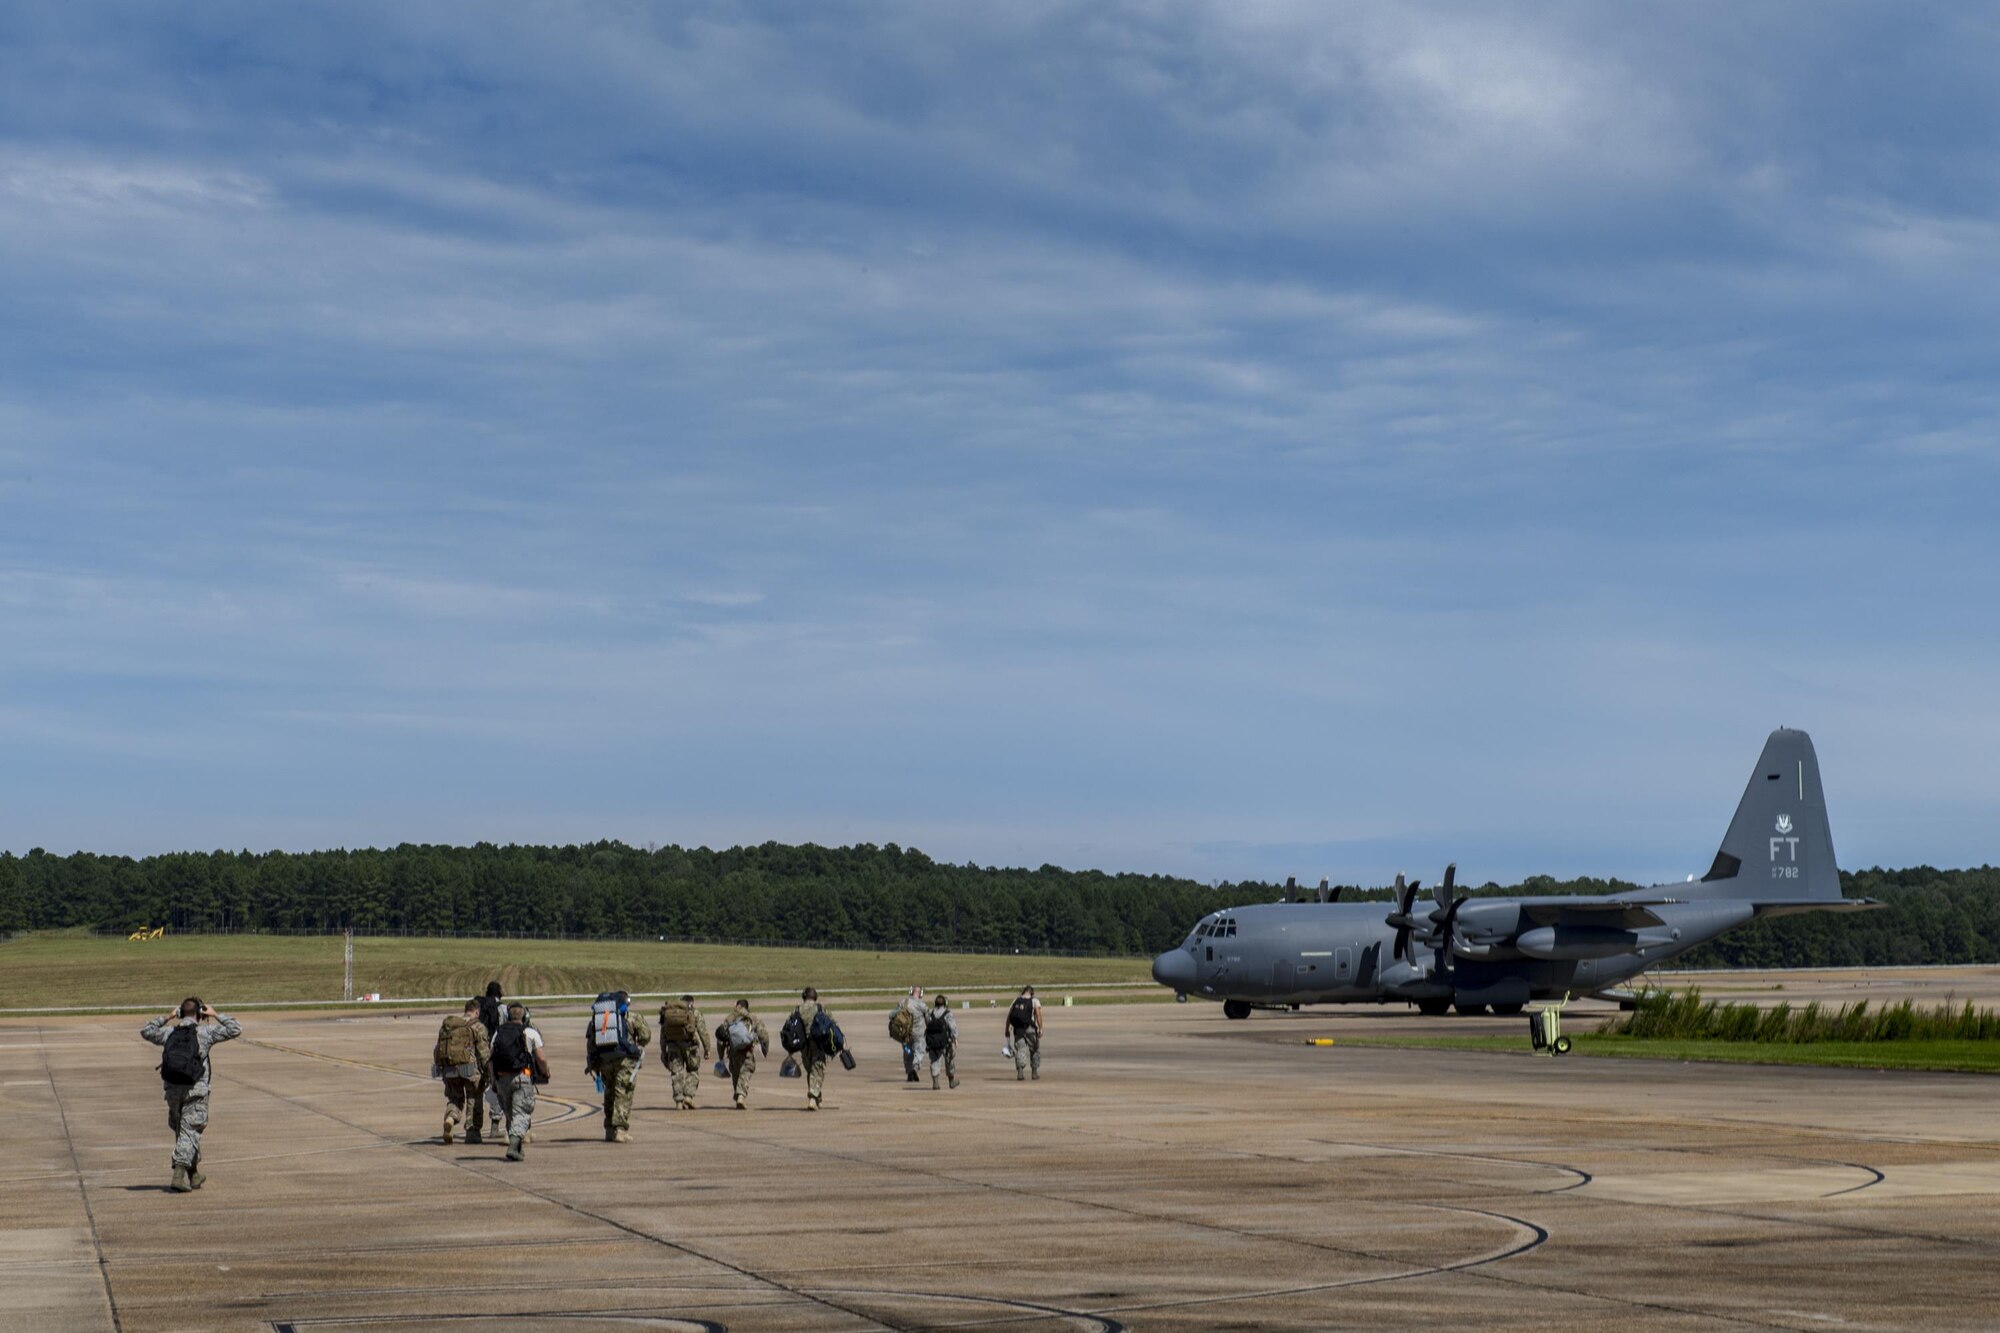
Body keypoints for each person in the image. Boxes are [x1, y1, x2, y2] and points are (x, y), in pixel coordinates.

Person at [140, 997, 242, 1192]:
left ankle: (194, 1174)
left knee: (183, 1129)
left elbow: (146, 1031)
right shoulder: (205, 1033)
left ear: (180, 1013)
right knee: (191, 1129)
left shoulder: (170, 1032)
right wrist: (215, 1014)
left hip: (172, 1090)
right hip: (195, 1090)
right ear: (200, 1013)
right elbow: (235, 1028)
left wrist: (168, 1017)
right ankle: (178, 1175)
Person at [585, 991, 650, 1142]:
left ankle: (608, 1129)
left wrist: (594, 1064)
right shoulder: (632, 1017)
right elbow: (645, 1036)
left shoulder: (598, 1019)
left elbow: (591, 1043)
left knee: (609, 1093)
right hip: (624, 1061)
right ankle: (620, 1130)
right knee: (623, 1094)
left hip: (605, 1061)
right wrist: (635, 1045)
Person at [490, 1002, 546, 1160]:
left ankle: (516, 1145)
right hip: (522, 1077)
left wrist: (493, 1080)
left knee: (510, 1114)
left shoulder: (498, 1033)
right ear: (525, 1016)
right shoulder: (530, 1032)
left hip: (502, 1078)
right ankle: (514, 1146)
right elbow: (540, 1057)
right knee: (521, 1113)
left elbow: (491, 1059)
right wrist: (545, 1071)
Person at [432, 998, 492, 1145]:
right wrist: (488, 1071)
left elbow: (437, 1050)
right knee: (474, 1098)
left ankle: (450, 1119)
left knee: (455, 1099)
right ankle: (472, 1132)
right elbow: (484, 1053)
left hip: (449, 1069)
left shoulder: (449, 1027)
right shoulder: (478, 1026)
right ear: (476, 1011)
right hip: (470, 1070)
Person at [658, 994, 712, 1109]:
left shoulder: (669, 1013)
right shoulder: (695, 1013)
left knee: (676, 1073)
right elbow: (703, 1031)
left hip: (672, 1046)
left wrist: (663, 1051)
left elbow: (663, 1034)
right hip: (690, 1046)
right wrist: (707, 1048)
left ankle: (678, 1101)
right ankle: (688, 1096)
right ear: (691, 1002)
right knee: (693, 1071)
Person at [789, 987, 835, 1111]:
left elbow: (790, 1026)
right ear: (815, 997)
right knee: (817, 1069)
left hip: (804, 1045)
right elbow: (832, 1023)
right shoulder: (820, 1008)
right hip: (818, 1044)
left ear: (804, 997)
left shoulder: (797, 1009)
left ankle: (817, 1098)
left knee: (811, 1071)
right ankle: (813, 1098)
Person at [720, 999, 769, 1110]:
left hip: (733, 1053)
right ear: (747, 1008)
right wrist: (765, 1049)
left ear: (737, 1006)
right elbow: (763, 1035)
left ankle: (737, 1095)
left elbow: (721, 1038)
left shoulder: (729, 1018)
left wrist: (720, 1054)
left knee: (736, 1074)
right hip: (747, 1051)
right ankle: (741, 1096)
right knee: (746, 1072)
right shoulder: (753, 1018)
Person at [1006, 984, 1043, 1081]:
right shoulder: (1034, 1001)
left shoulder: (1016, 1000)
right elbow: (1038, 1015)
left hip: (1018, 1029)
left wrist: (1007, 1030)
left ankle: (1020, 1073)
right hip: (1030, 1028)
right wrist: (1040, 1028)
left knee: (1020, 1049)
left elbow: (1009, 1016)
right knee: (1034, 1049)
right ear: (1032, 993)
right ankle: (1034, 1072)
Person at [891, 984, 927, 1083]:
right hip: (918, 1035)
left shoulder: (903, 1002)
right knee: (919, 1052)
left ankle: (909, 1072)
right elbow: (929, 1021)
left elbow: (891, 1015)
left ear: (911, 992)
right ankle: (915, 1069)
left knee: (907, 1053)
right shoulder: (922, 1006)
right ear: (921, 994)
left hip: (905, 1035)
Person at [924, 993, 959, 1090]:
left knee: (934, 1061)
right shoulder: (948, 1014)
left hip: (933, 1043)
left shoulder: (930, 1015)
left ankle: (935, 1083)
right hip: (945, 1042)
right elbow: (953, 1027)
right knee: (949, 1061)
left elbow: (928, 1026)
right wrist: (955, 1038)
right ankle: (951, 1081)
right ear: (945, 1003)